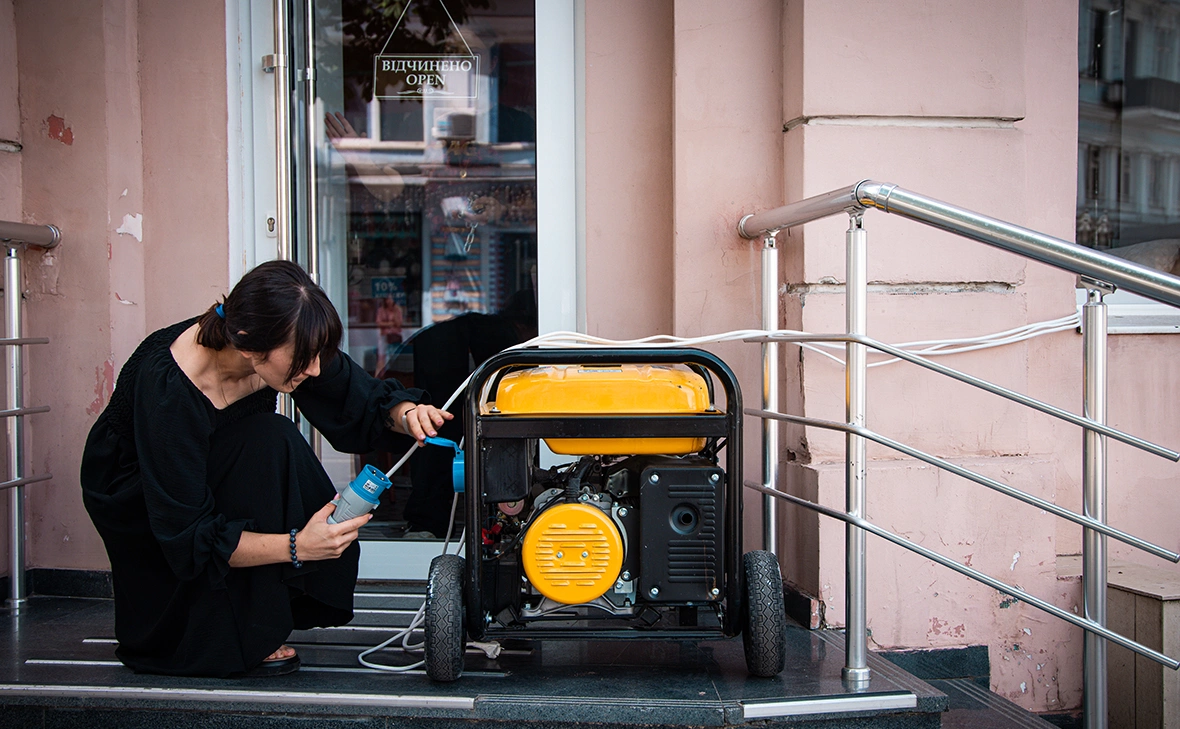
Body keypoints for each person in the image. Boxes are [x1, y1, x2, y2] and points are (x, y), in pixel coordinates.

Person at [80, 260, 451, 678]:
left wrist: (406, 413)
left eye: (318, 356)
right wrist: (299, 546)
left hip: (211, 460)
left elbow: (355, 396)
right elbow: (187, 535)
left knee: (269, 440)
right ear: (247, 346)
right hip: (137, 486)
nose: (313, 369)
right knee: (265, 443)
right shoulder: (171, 389)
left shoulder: (282, 344)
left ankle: (258, 619)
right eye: (303, 359)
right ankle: (199, 637)